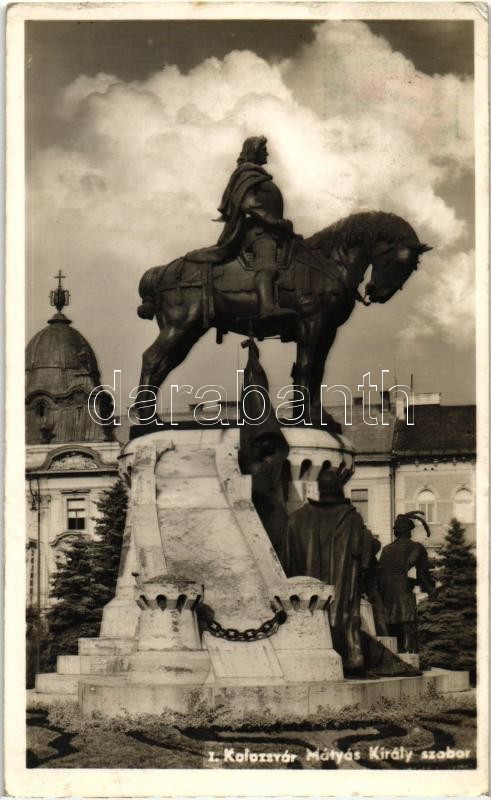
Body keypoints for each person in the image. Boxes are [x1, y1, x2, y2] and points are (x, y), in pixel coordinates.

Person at [186, 136, 295, 318]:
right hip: (260, 234)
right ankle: (266, 307)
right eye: (263, 150)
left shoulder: (257, 175)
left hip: (275, 233)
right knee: (267, 266)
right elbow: (248, 204)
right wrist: (273, 221)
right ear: (254, 151)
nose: (267, 153)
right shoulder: (247, 174)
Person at [283, 462, 366, 676]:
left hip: (305, 607)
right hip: (342, 597)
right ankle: (350, 659)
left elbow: (287, 562)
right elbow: (362, 559)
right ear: (340, 488)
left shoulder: (295, 519)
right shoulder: (353, 519)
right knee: (343, 617)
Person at [377, 511, 436, 653]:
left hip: (385, 591)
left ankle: (395, 655)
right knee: (407, 622)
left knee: (391, 623)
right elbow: (422, 574)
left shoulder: (386, 549)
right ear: (410, 531)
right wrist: (431, 590)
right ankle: (411, 657)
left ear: (396, 532)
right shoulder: (416, 547)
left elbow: (382, 572)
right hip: (402, 590)